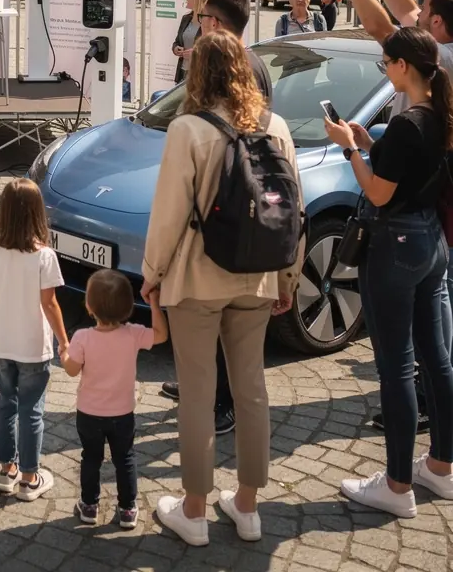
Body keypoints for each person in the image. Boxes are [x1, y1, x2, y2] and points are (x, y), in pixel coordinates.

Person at [141, 32, 302, 546]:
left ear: (198, 74)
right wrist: (288, 278)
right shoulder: (276, 126)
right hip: (258, 276)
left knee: (197, 392)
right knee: (251, 389)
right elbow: (292, 212)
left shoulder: (187, 129)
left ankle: (194, 512)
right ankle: (248, 507)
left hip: (197, 276)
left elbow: (168, 214)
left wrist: (151, 273)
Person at [323, 27, 453, 516]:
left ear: (403, 66)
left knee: (397, 367)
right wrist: (367, 144)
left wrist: (349, 149)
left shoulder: (405, 123)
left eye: (386, 63)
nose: (386, 70)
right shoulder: (440, 114)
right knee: (437, 359)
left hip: (395, 244)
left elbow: (378, 192)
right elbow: (408, 170)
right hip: (431, 241)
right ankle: (441, 466)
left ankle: (397, 486)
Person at [0, 178, 69, 502]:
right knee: (32, 410)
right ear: (37, 213)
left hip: (1, 344)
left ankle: (7, 470)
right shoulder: (44, 256)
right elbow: (50, 303)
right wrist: (64, 341)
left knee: (5, 404)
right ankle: (30, 478)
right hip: (33, 346)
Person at [62, 269, 168, 529]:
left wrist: (64, 353)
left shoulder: (82, 337)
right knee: (125, 459)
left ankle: (89, 505)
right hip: (123, 413)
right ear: (129, 306)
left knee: (91, 458)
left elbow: (72, 370)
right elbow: (161, 334)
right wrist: (154, 303)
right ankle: (128, 508)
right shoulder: (133, 334)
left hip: (89, 413)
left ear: (89, 306)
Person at [173, 0, 209, 83]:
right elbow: (177, 41)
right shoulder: (186, 18)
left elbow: (212, 49)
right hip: (182, 72)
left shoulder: (209, 21)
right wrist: (176, 48)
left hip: (199, 74)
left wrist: (196, 54)